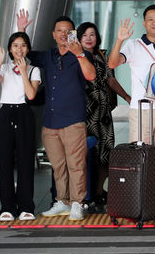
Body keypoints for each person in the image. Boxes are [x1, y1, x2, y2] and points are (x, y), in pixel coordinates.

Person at [18, 13, 96, 221]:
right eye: (59, 31)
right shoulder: (48, 56)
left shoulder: (83, 55)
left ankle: (78, 203)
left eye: (67, 31)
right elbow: (23, 55)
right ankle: (62, 201)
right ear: (53, 34)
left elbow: (91, 75)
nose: (63, 34)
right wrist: (22, 30)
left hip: (73, 120)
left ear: (74, 34)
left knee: (76, 165)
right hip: (50, 123)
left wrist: (79, 53)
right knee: (58, 166)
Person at [108, 4, 155, 220]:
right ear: (144, 23)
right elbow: (112, 63)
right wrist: (119, 39)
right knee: (140, 157)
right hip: (141, 109)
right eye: (151, 19)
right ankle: (139, 202)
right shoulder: (133, 45)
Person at [0, 27, 41, 222]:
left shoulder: (34, 69)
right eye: (15, 45)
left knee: (26, 161)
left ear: (28, 49)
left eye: (23, 45)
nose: (19, 49)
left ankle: (27, 206)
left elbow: (31, 95)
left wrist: (25, 72)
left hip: (24, 113)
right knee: (4, 161)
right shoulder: (3, 67)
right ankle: (7, 207)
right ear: (10, 49)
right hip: (6, 113)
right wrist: (0, 61)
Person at [77, 22, 129, 208]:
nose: (89, 38)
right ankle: (85, 194)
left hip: (103, 111)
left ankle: (99, 192)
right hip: (84, 111)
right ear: (78, 39)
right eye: (85, 35)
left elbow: (110, 79)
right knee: (86, 154)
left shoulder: (102, 55)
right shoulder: (75, 57)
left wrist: (126, 96)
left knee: (106, 153)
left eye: (92, 34)